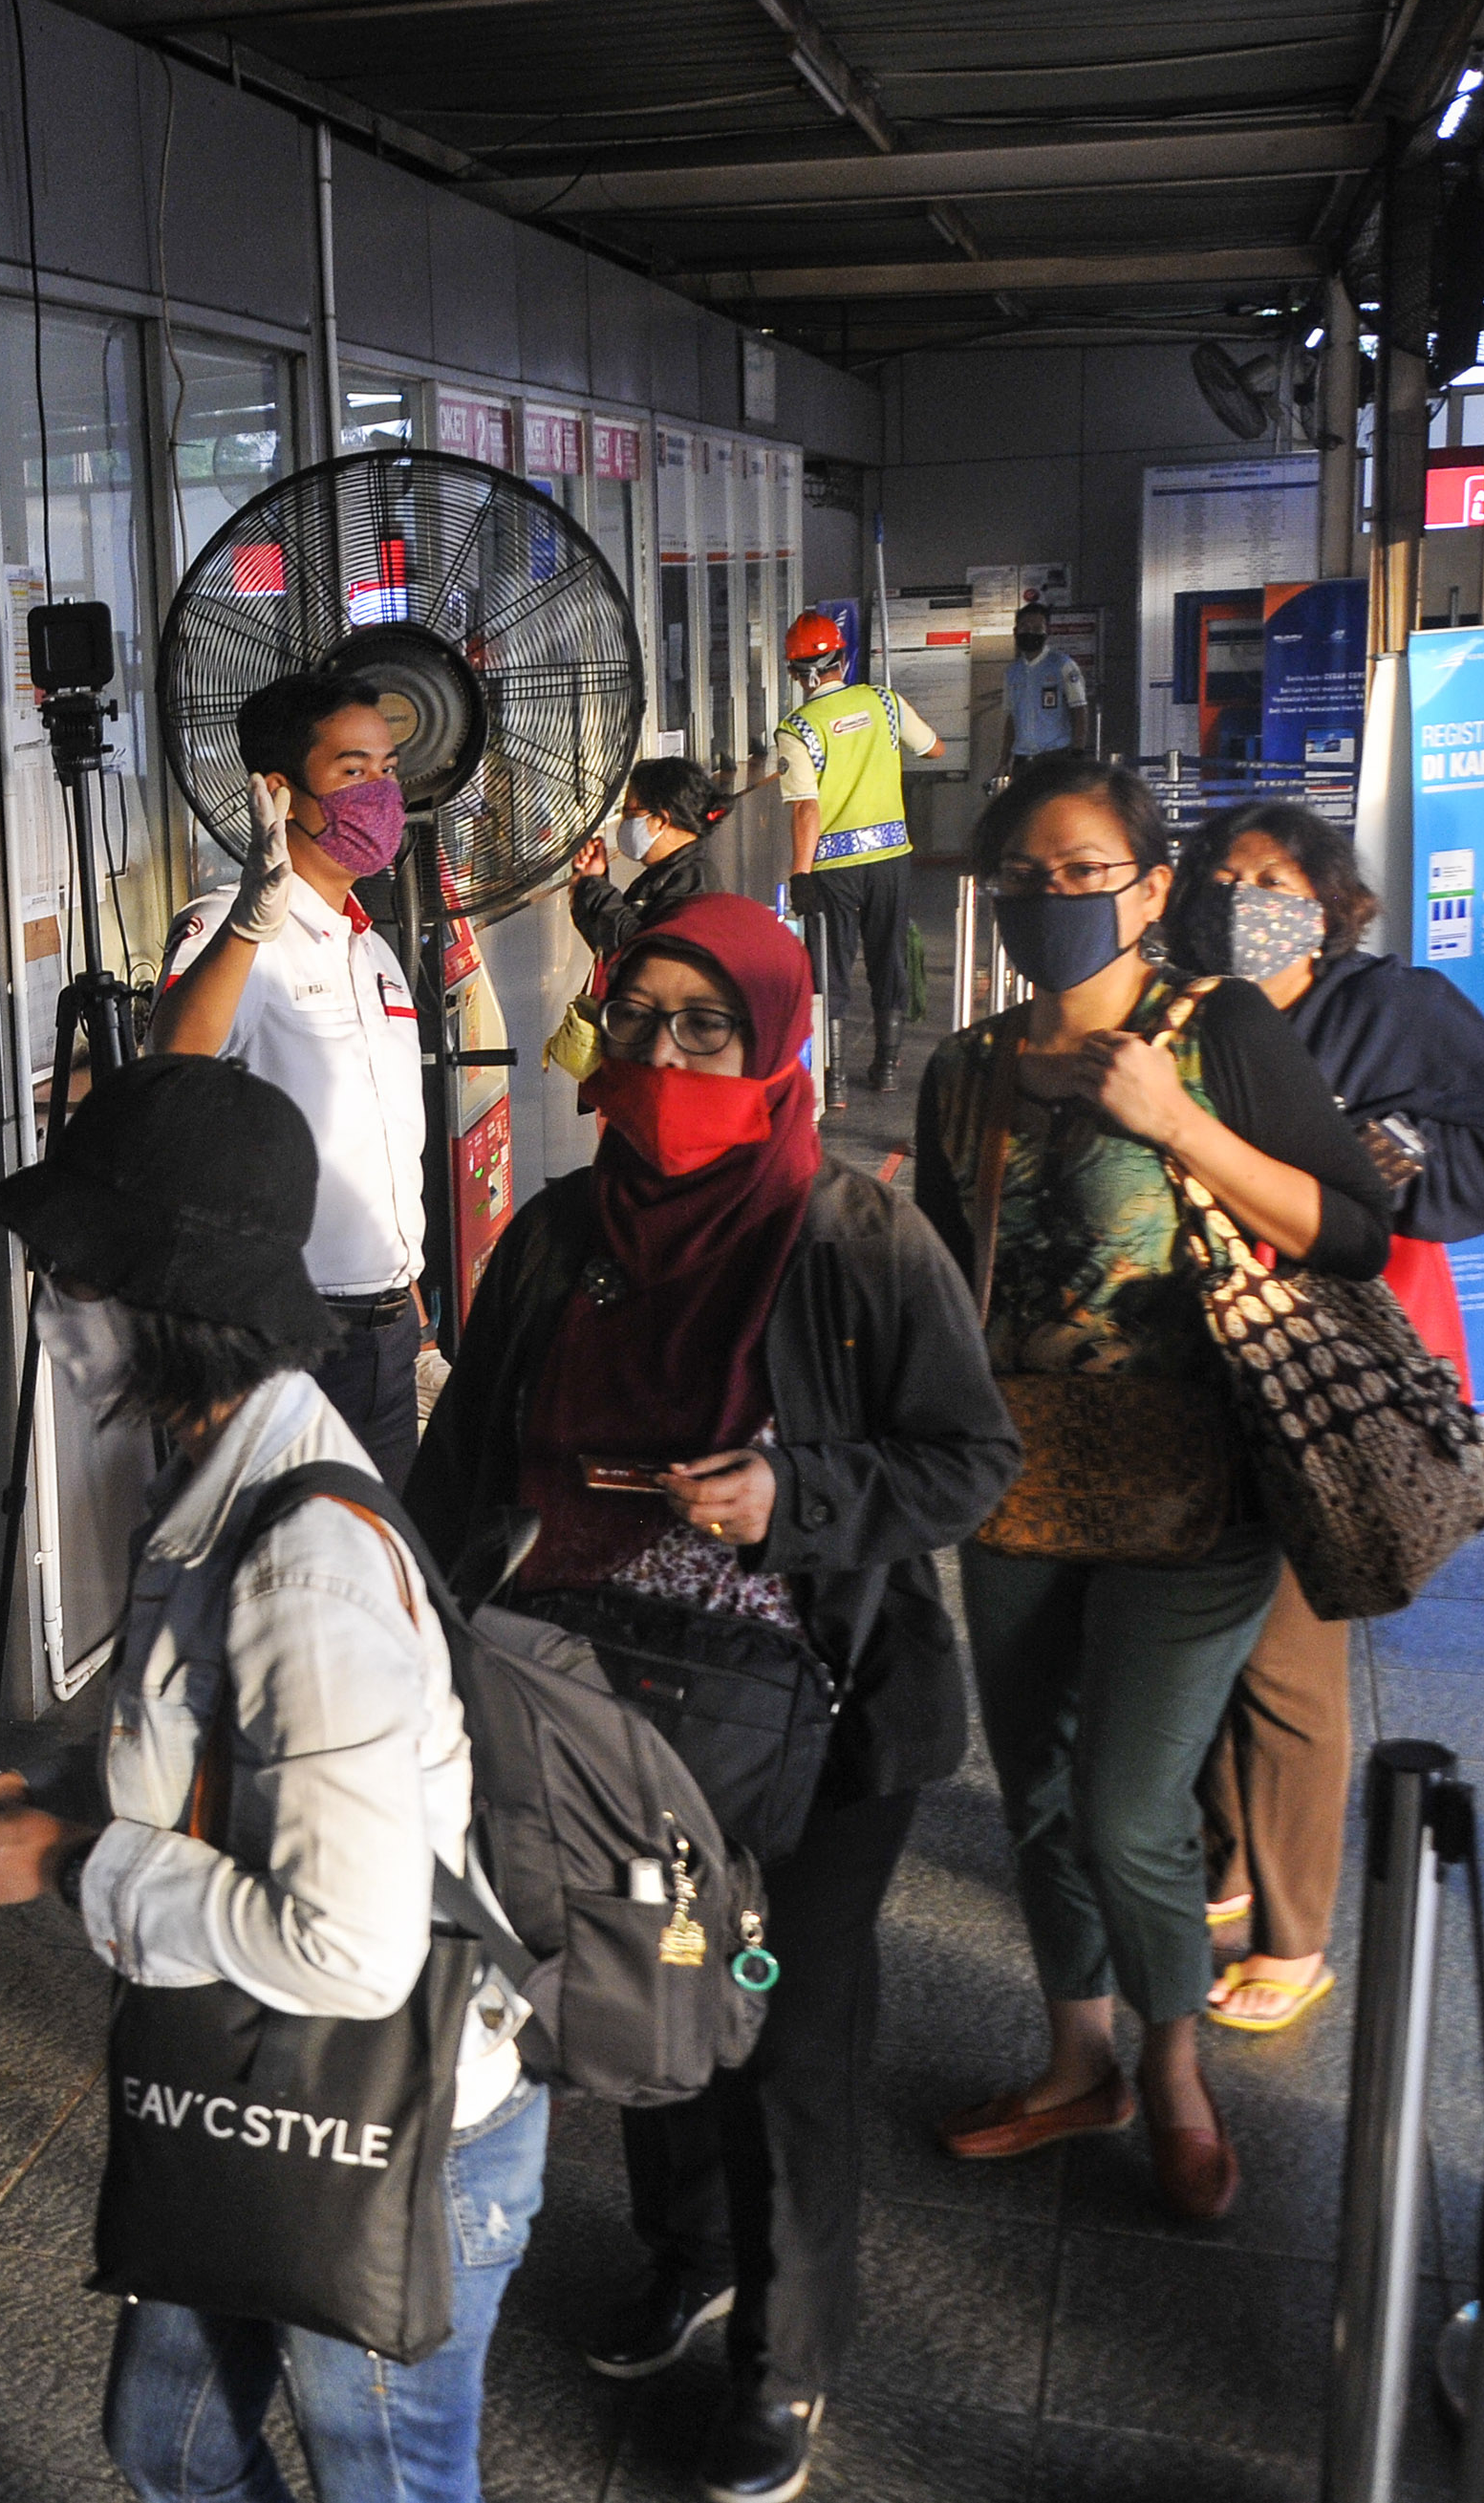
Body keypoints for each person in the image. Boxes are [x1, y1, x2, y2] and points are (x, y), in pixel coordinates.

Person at [0, 1054, 540, 2503]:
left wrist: (63, 1860)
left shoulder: (308, 1564)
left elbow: (351, 1950)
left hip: (385, 2126)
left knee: (389, 2487)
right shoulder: (214, 1470)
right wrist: (48, 1790)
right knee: (164, 2445)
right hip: (242, 2087)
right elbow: (227, 1759)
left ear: (161, 1293)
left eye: (69, 1271)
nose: (50, 1300)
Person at [410, 895, 1016, 2503]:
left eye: (708, 1027)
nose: (666, 1055)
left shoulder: (853, 1236)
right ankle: (686, 2253)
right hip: (593, 1718)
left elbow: (970, 1460)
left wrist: (786, 1498)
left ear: (774, 1044)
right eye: (642, 1019)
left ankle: (787, 2361)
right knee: (635, 1989)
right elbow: (459, 1459)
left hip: (813, 1720)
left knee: (791, 2044)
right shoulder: (556, 1233)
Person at [912, 755, 1393, 2222]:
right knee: (1043, 1797)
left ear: (1151, 883)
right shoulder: (968, 1064)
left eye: (1086, 868)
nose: (1057, 897)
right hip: (1023, 1482)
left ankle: (1173, 2074)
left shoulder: (1217, 1029)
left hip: (1200, 1484)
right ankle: (1079, 2064)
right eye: (1027, 876)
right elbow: (944, 1288)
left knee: (1130, 1802)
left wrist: (1176, 1123)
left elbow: (1355, 1230)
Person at [1169, 803, 1484, 2036]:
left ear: (1331, 899)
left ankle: (1292, 1939)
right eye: (1224, 876)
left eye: (1276, 878)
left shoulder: (1392, 1008)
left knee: (1289, 1656)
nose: (1247, 897)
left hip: (1333, 1372)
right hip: (1199, 1357)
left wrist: (1375, 1165)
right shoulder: (1184, 1009)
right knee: (1212, 1634)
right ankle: (1224, 1869)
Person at [148, 668, 435, 1486]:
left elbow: (383, 1138)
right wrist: (246, 925)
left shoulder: (372, 949)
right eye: (352, 772)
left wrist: (411, 1295)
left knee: (375, 1574)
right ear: (279, 790)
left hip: (385, 1328)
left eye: (386, 770)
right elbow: (171, 1065)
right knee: (282, 1570)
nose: (380, 793)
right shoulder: (228, 929)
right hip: (280, 1333)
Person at [773, 613, 941, 1097]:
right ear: (843, 658)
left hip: (832, 868)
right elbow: (932, 749)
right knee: (889, 955)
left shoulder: (797, 729)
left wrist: (799, 874)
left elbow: (807, 808)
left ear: (794, 673)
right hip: (890, 858)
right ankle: (887, 1068)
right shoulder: (885, 703)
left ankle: (836, 1078)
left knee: (831, 965)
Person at [568, 755, 723, 959]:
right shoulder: (664, 875)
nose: (623, 823)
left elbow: (641, 952)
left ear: (660, 820)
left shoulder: (694, 883)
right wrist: (587, 886)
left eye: (629, 813)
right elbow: (610, 949)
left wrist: (596, 890)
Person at [997, 604, 1088, 784]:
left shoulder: (1062, 665)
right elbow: (1011, 718)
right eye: (1025, 628)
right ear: (1015, 631)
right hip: (1022, 760)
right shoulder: (1012, 672)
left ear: (1048, 631)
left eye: (1037, 629)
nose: (1030, 633)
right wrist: (1004, 761)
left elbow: (1080, 710)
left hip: (1055, 757)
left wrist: (1078, 753)